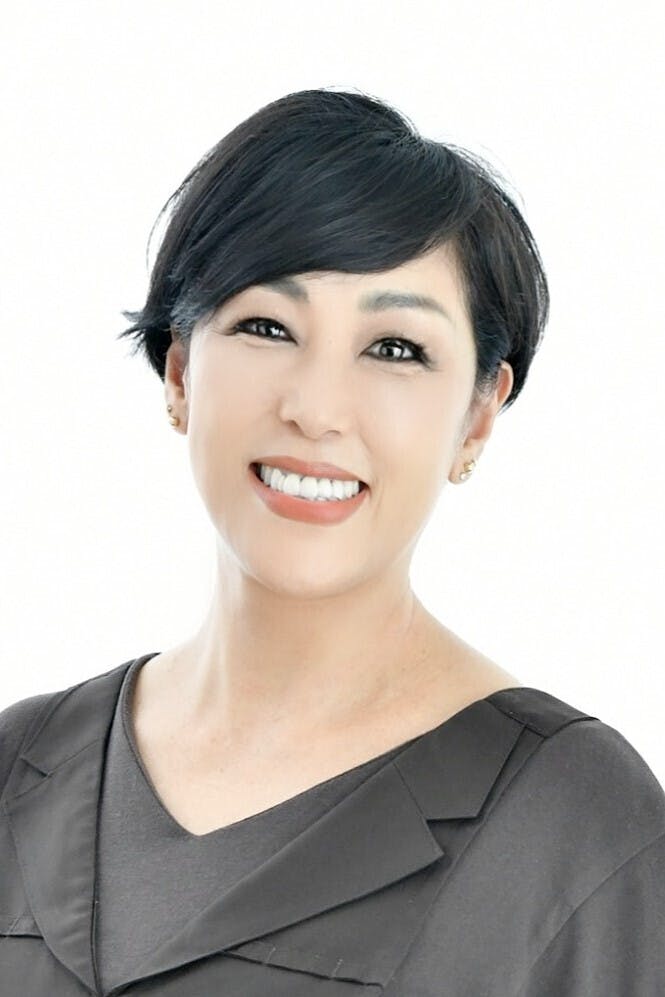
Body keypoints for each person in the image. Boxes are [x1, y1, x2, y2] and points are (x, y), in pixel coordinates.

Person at [1, 87, 663, 996]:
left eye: (394, 348)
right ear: (181, 371)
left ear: (477, 416)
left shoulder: (575, 828)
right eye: (266, 327)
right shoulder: (18, 770)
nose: (315, 408)